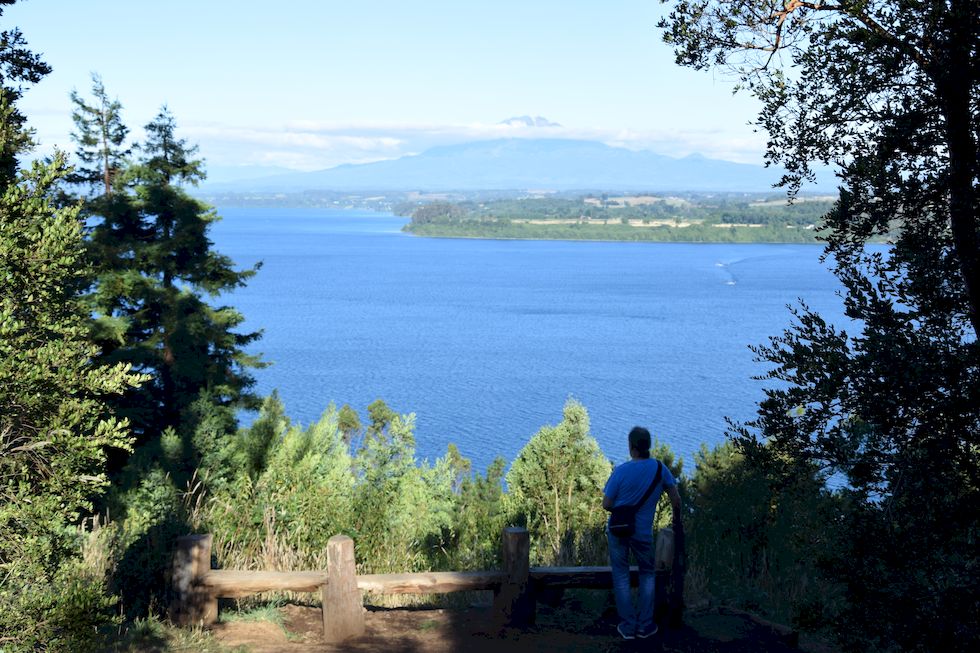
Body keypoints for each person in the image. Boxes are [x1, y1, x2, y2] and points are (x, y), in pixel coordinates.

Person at [602, 426, 682, 640]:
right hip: (643, 534)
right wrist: (677, 523)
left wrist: (623, 508)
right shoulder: (659, 468)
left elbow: (607, 504)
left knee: (621, 575)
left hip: (618, 530)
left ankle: (628, 626)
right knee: (647, 574)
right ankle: (645, 625)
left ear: (631, 447)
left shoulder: (620, 471)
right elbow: (676, 500)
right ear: (648, 446)